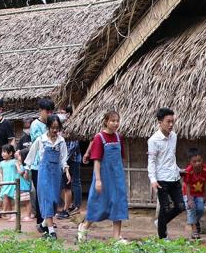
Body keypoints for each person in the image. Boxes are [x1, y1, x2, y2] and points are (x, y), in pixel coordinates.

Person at [77, 110, 129, 244]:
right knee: (98, 203)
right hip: (103, 177)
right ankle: (84, 227)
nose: (115, 123)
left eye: (117, 120)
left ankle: (117, 236)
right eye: (112, 121)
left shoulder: (119, 137)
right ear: (106, 121)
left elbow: (122, 158)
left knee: (118, 203)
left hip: (117, 177)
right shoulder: (99, 138)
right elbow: (97, 161)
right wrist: (98, 180)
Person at [26, 114, 70, 239]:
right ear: (48, 127)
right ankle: (51, 232)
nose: (55, 130)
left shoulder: (61, 141)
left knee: (55, 201)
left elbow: (63, 159)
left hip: (56, 173)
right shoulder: (41, 140)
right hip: (44, 173)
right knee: (47, 200)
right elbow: (31, 155)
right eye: (52, 128)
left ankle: (44, 223)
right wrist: (26, 169)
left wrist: (66, 171)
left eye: (57, 128)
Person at [147, 107, 184, 240]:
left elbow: (170, 157)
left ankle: (160, 223)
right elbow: (151, 161)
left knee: (181, 206)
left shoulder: (174, 136)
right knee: (165, 208)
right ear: (160, 122)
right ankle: (163, 237)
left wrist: (179, 170)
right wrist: (153, 179)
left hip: (174, 176)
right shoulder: (153, 140)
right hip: (161, 179)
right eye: (168, 122)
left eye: (172, 121)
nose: (171, 125)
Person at [182, 148, 206, 241]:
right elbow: (186, 185)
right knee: (191, 208)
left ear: (202, 159)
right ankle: (194, 230)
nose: (197, 163)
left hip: (199, 193)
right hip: (188, 193)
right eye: (194, 161)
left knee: (200, 209)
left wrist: (204, 195)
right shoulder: (188, 171)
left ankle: (194, 222)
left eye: (199, 161)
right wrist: (189, 199)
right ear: (190, 162)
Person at [58, 104, 81, 216]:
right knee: (65, 184)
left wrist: (63, 159)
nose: (60, 115)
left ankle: (76, 206)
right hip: (64, 159)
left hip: (73, 158)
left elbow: (73, 146)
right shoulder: (60, 126)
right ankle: (68, 205)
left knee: (74, 182)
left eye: (62, 112)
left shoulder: (73, 125)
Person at [0, 145, 20, 215]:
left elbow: (19, 165)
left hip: (13, 182)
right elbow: (1, 173)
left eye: (4, 152)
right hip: (5, 183)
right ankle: (10, 213)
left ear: (10, 153)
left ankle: (4, 211)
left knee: (7, 196)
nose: (3, 154)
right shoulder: (1, 163)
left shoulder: (14, 161)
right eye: (2, 152)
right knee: (6, 196)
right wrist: (1, 182)